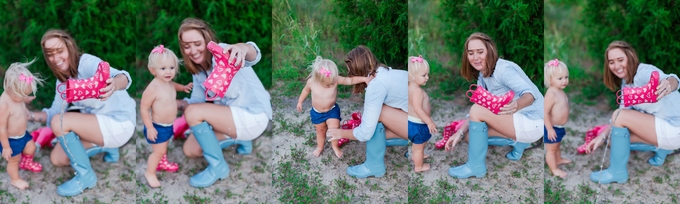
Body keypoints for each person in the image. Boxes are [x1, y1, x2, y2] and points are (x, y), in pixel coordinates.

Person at [29, 29, 136, 196]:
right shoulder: (62, 82)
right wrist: (29, 116)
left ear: (69, 46)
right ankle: (108, 148)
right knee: (58, 158)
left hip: (120, 122)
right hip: (99, 125)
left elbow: (124, 77)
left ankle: (86, 177)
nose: (55, 58)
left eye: (59, 51)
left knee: (60, 122)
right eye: (50, 53)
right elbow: (54, 113)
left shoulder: (86, 63)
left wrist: (114, 84)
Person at [175, 18, 272, 187]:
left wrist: (242, 48)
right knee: (190, 149)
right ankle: (242, 139)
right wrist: (177, 104)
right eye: (186, 46)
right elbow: (197, 103)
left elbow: (253, 53)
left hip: (254, 115)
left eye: (197, 43)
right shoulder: (199, 72)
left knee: (193, 113)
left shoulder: (224, 54)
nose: (192, 50)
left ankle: (219, 168)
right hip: (232, 120)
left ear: (207, 39)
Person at [445, 32, 543, 179]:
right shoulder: (482, 76)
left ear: (490, 50)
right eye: (471, 53)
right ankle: (519, 142)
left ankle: (476, 167)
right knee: (469, 137)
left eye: (480, 52)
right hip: (517, 120)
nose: (475, 57)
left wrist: (517, 104)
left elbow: (530, 94)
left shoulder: (503, 70)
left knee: (476, 110)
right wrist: (458, 133)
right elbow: (478, 110)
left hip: (532, 120)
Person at [586, 41, 680, 184]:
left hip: (675, 127)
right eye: (611, 62)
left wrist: (669, 83)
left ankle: (617, 173)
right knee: (613, 140)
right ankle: (663, 149)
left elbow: (672, 79)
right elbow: (621, 117)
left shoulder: (643, 72)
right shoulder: (626, 85)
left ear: (630, 56)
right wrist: (602, 136)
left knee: (619, 115)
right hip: (666, 128)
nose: (616, 66)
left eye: (620, 60)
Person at [326, 45, 409, 178]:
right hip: (418, 120)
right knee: (376, 113)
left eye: (350, 72)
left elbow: (365, 132)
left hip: (417, 127)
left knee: (376, 116)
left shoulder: (376, 86)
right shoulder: (386, 72)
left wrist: (341, 132)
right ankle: (402, 139)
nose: (349, 75)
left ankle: (374, 166)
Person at [296, 56, 372, 158]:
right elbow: (305, 91)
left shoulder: (335, 79)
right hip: (317, 113)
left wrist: (364, 79)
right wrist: (300, 101)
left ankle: (335, 146)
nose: (330, 85)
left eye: (332, 84)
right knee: (320, 130)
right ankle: (320, 147)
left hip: (332, 111)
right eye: (327, 85)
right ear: (318, 78)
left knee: (334, 129)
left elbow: (349, 80)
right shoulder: (312, 82)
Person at [0, 60, 44, 190]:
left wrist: (25, 98)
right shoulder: (3, 104)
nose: (24, 96)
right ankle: (15, 179)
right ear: (9, 88)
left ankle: (26, 162)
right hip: (11, 140)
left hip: (23, 134)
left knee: (31, 148)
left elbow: (19, 100)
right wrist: (6, 147)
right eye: (22, 94)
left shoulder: (16, 96)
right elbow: (1, 128)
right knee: (13, 161)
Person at [141, 45, 181, 187]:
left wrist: (182, 88)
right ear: (153, 71)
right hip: (157, 127)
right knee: (158, 152)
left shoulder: (168, 82)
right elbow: (144, 109)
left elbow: (173, 85)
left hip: (168, 125)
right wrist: (150, 128)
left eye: (171, 67)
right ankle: (150, 173)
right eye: (163, 69)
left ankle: (162, 163)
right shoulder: (153, 88)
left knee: (163, 147)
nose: (168, 72)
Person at [407, 55, 436, 172]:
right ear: (413, 76)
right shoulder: (418, 91)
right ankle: (419, 166)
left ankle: (416, 155)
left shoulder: (409, 87)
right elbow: (418, 109)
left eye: (427, 74)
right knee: (419, 145)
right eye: (424, 75)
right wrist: (429, 122)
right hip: (419, 125)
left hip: (410, 122)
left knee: (417, 144)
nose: (427, 77)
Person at [543, 59, 571, 178]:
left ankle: (558, 159)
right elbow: (545, 113)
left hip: (559, 127)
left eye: (566, 77)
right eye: (560, 78)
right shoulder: (551, 94)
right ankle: (554, 169)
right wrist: (549, 129)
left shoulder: (560, 91)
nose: (564, 81)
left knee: (557, 145)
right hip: (552, 128)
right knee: (551, 150)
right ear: (550, 80)